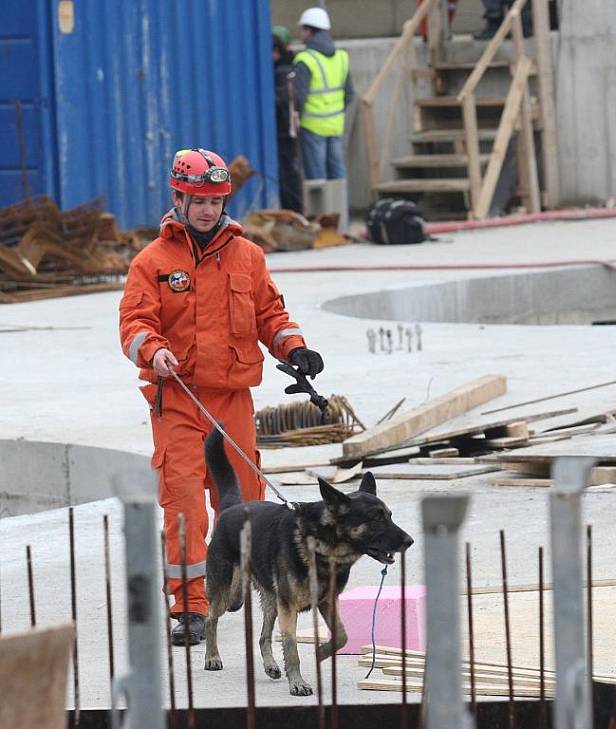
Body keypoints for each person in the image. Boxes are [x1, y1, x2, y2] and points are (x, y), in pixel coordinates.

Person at [118, 148, 324, 646]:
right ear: (178, 198)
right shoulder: (153, 262)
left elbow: (270, 315)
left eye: (216, 200)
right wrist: (154, 351)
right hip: (180, 400)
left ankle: (235, 580)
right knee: (185, 502)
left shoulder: (247, 257)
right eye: (199, 201)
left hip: (232, 400)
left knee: (247, 503)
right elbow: (134, 325)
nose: (209, 210)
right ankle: (189, 606)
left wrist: (294, 348)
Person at [292, 7, 354, 181]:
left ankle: (320, 209)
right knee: (337, 174)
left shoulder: (306, 60)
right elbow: (349, 94)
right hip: (335, 125)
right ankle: (339, 207)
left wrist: (297, 120)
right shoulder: (341, 57)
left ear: (309, 31)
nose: (301, 34)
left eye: (302, 30)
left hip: (312, 127)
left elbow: (299, 98)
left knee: (317, 177)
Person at [272, 25, 303, 213]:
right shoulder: (290, 67)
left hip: (284, 131)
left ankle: (293, 210)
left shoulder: (281, 72)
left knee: (288, 174)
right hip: (289, 129)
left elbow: (282, 102)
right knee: (290, 172)